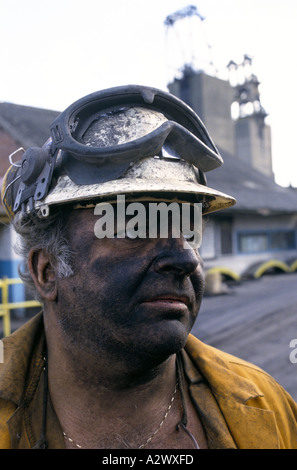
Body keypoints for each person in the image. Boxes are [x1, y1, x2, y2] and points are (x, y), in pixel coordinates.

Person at [0, 85, 296, 450]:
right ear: (47, 271)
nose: (186, 258)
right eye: (134, 226)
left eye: (189, 229)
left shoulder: (268, 408)